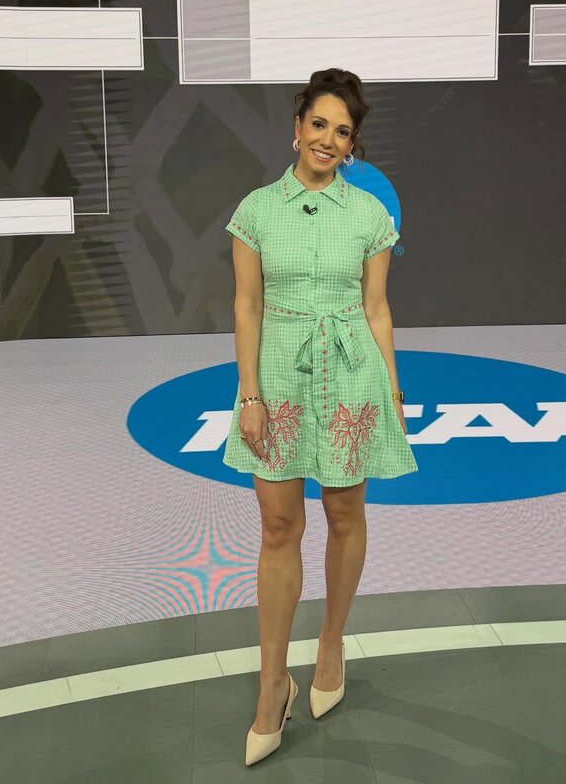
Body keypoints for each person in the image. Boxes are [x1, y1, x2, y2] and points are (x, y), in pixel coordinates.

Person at [222, 68, 418, 766]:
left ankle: (331, 643)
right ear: (296, 128)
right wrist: (249, 395)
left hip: (351, 376)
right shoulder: (255, 211)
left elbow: (377, 310)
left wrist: (391, 390)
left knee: (343, 514)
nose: (328, 140)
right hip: (277, 374)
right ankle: (272, 682)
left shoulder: (369, 216)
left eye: (343, 131)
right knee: (279, 526)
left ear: (352, 144)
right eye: (319, 124)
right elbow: (247, 306)